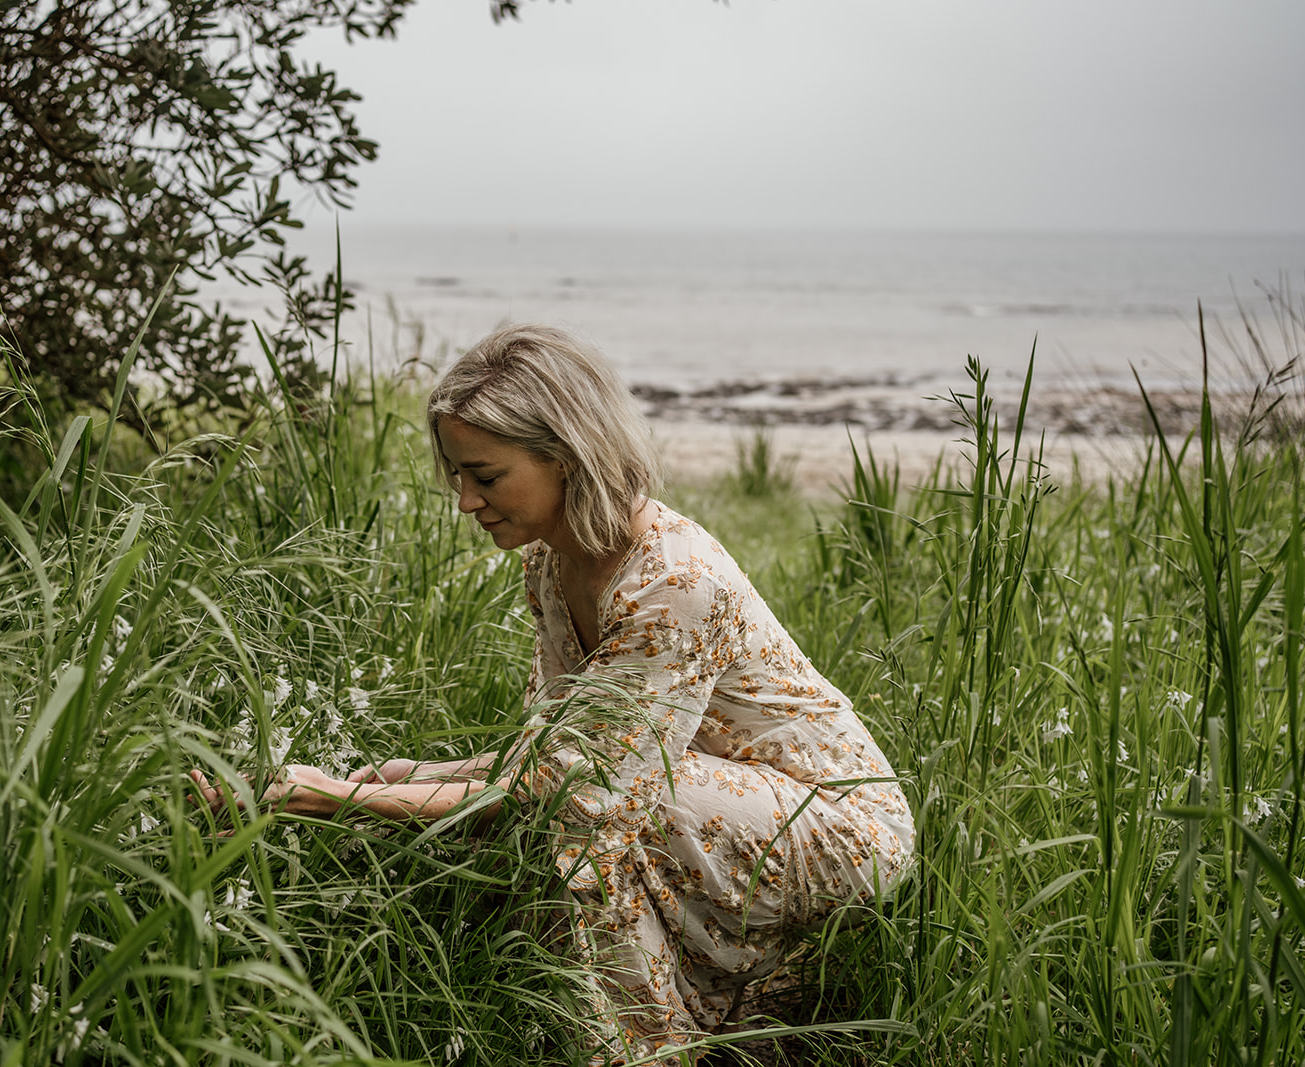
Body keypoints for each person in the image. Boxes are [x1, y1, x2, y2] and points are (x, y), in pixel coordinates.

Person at [191, 324, 914, 1066]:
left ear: (566, 457)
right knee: (569, 810)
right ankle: (708, 1015)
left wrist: (336, 797)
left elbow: (583, 781)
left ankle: (650, 1049)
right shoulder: (550, 560)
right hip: (709, 796)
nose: (465, 501)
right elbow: (558, 743)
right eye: (456, 476)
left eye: (486, 475)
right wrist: (422, 775)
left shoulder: (675, 581)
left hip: (840, 824)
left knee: (584, 822)